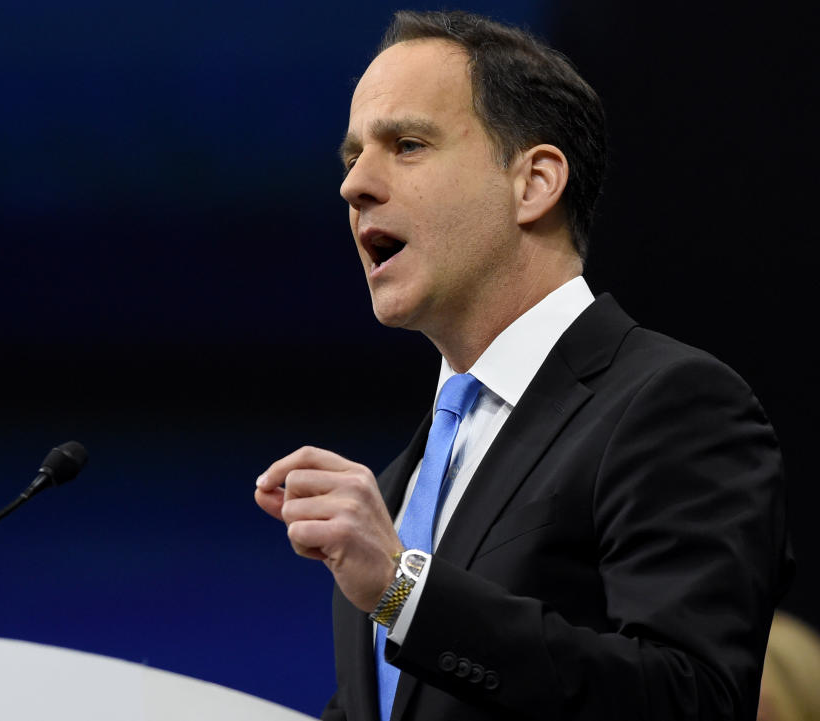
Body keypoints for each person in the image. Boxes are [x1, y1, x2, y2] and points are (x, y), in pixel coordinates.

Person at [254, 10, 793, 721]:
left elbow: (688, 698)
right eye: (352, 157)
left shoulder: (673, 405)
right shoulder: (398, 489)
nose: (355, 185)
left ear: (534, 182)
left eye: (407, 144)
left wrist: (403, 592)